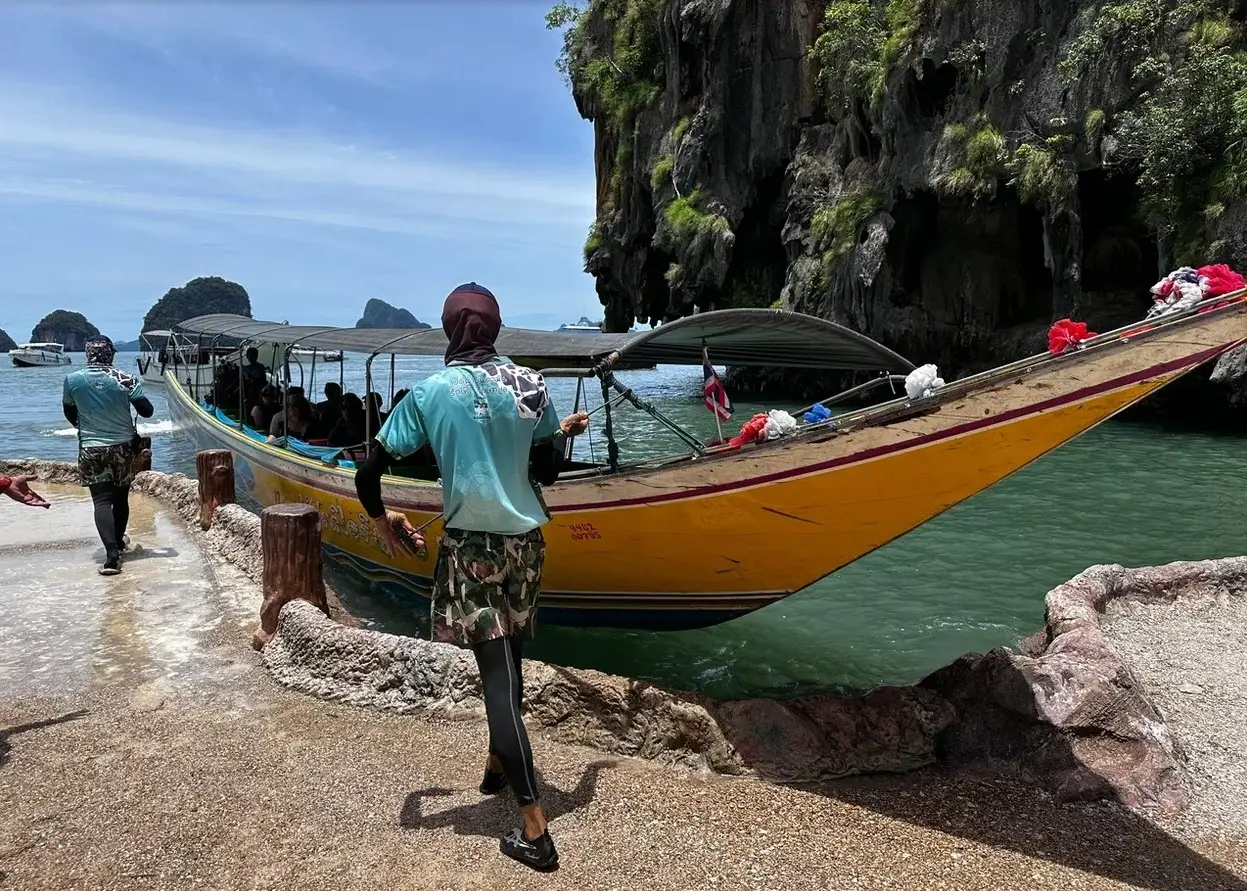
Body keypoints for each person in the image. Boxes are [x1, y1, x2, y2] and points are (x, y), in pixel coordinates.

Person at [354, 282, 588, 872]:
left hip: (472, 549)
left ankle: (534, 830)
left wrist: (384, 526)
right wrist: (558, 437)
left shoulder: (430, 393)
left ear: (449, 330)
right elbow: (549, 470)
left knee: (498, 680)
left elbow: (369, 469)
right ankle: (495, 764)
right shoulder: (532, 385)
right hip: (526, 546)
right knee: (510, 663)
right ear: (498, 328)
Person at [63, 335, 155, 575]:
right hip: (123, 448)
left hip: (91, 448)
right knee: (120, 497)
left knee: (101, 501)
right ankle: (119, 543)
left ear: (87, 354)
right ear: (111, 354)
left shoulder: (73, 380)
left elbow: (69, 412)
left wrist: (86, 427)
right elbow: (147, 411)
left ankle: (111, 555)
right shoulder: (125, 379)